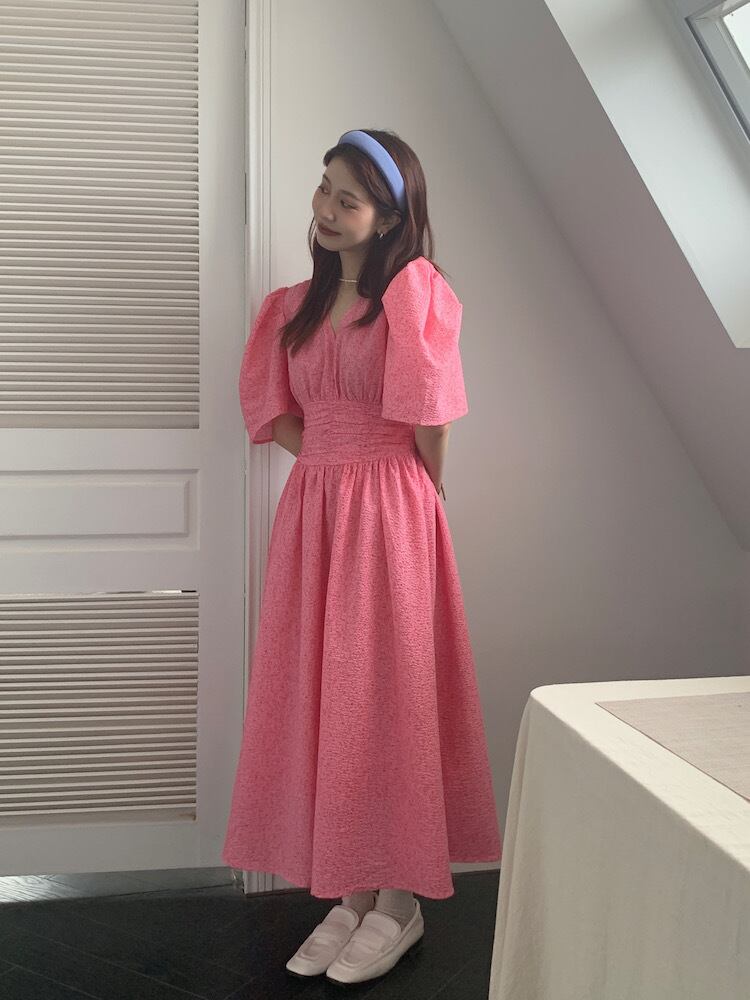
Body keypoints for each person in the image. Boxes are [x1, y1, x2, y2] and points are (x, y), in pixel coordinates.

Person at [221, 128, 502, 986]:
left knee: (388, 694)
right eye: (325, 189)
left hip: (391, 509)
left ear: (389, 218)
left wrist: (408, 487)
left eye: (350, 199)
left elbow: (431, 417)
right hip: (315, 511)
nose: (328, 209)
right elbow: (281, 415)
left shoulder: (413, 292)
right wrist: (329, 463)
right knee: (325, 692)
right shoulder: (292, 307)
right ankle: (352, 888)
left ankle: (399, 898)